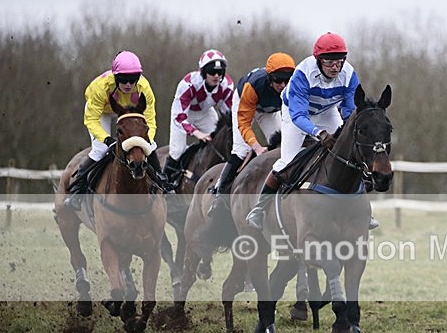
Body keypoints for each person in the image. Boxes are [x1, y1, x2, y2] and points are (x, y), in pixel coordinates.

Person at [246, 33, 365, 230]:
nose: (335, 67)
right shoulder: (303, 73)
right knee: (287, 161)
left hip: (327, 111)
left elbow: (348, 110)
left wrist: (348, 131)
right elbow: (299, 115)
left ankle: (360, 208)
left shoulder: (350, 74)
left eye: (340, 61)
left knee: (349, 152)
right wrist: (319, 134)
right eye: (329, 62)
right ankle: (259, 208)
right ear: (318, 60)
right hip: (296, 114)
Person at [65, 50, 169, 210]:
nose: (128, 84)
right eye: (124, 80)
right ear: (115, 77)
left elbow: (150, 120)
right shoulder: (100, 88)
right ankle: (77, 191)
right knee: (100, 149)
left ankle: (162, 182)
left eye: (132, 80)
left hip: (130, 111)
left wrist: (145, 139)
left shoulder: (144, 88)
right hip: (103, 112)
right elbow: (91, 120)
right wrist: (106, 139)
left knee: (150, 144)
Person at [208, 52, 296, 215]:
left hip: (269, 111)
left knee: (285, 146)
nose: (283, 85)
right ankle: (219, 193)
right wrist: (256, 147)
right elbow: (244, 123)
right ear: (270, 78)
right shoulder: (254, 86)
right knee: (241, 150)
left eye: (287, 80)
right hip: (246, 104)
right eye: (278, 80)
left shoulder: (294, 86)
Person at [163, 49, 235, 186]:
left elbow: (229, 115)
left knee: (219, 141)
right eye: (212, 72)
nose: (216, 76)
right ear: (202, 72)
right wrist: (196, 133)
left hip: (205, 113)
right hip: (184, 114)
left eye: (220, 73)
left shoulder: (227, 85)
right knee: (177, 150)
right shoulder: (188, 84)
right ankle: (165, 182)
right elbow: (179, 117)